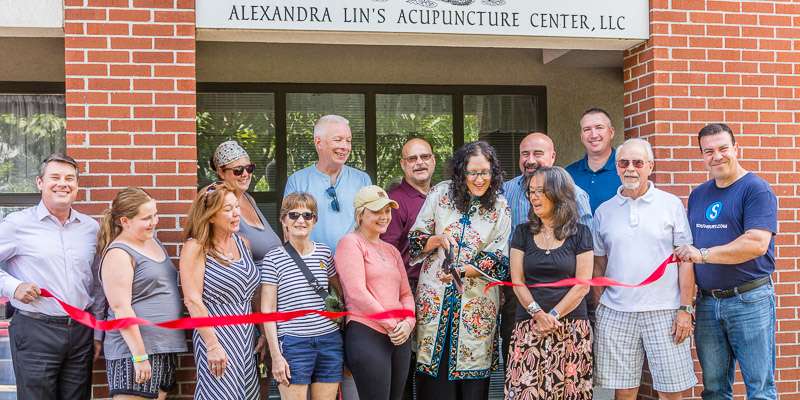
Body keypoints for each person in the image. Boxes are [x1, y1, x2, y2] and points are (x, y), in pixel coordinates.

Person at [675, 123, 778, 399]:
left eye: (723, 148)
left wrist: (704, 255)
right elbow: (688, 250)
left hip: (750, 300)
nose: (717, 156)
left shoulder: (756, 189)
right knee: (714, 390)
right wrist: (686, 305)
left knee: (760, 390)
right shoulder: (699, 194)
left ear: (736, 148)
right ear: (702, 156)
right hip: (707, 305)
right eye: (708, 151)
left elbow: (756, 243)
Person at [592, 139, 697, 399]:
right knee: (624, 392)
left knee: (670, 392)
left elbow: (686, 259)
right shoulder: (604, 211)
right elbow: (598, 265)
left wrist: (685, 309)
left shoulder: (671, 204)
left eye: (638, 162)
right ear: (616, 167)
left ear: (650, 166)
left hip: (665, 311)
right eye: (623, 162)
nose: (630, 168)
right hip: (617, 313)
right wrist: (599, 310)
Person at [409, 141, 511, 400]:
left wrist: (464, 270)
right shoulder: (440, 194)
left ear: (494, 172)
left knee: (472, 385)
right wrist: (438, 239)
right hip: (435, 298)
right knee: (434, 384)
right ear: (461, 172)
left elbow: (500, 257)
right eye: (472, 172)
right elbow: (416, 239)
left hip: (476, 306)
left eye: (485, 172)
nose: (479, 179)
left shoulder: (500, 207)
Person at [0, 153, 104, 399]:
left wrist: (97, 332)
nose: (63, 183)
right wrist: (12, 286)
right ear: (39, 183)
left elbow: (97, 285)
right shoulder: (16, 224)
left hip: (81, 332)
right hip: (35, 330)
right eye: (54, 177)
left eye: (70, 178)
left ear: (77, 185)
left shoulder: (91, 228)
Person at [500, 132, 593, 368]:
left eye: (537, 154)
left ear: (552, 157)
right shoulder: (503, 194)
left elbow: (584, 266)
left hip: (569, 304)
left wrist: (552, 315)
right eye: (525, 154)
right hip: (520, 297)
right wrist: (536, 312)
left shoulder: (577, 197)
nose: (530, 159)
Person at [98, 187, 187, 399]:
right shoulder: (118, 253)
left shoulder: (152, 241)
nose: (154, 221)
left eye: (155, 214)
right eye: (146, 218)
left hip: (161, 347)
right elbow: (121, 309)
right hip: (135, 353)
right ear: (125, 221)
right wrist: (139, 357)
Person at [180, 181, 267, 400]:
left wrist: (263, 332)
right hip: (217, 335)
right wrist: (212, 345)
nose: (236, 213)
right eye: (228, 210)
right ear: (210, 216)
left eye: (236, 206)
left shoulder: (243, 244)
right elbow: (192, 300)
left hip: (246, 337)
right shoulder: (196, 247)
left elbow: (254, 293)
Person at [335, 185, 416, 400]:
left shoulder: (392, 250)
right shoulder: (350, 243)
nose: (384, 217)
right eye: (377, 211)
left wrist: (408, 324)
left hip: (399, 336)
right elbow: (357, 293)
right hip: (367, 333)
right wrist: (392, 325)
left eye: (387, 211)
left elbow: (406, 294)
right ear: (361, 214)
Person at [262, 192, 344, 400]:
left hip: (329, 341)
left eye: (307, 215)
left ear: (314, 221)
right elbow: (268, 311)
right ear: (283, 220)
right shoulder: (273, 258)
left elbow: (339, 293)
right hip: (293, 343)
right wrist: (276, 355)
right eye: (293, 215)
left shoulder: (324, 253)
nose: (301, 220)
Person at [381, 138, 436, 400]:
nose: (419, 163)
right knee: (406, 365)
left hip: (440, 289)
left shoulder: (443, 197)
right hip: (408, 291)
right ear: (403, 164)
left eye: (424, 157)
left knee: (431, 363)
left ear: (433, 160)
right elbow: (387, 254)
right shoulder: (395, 201)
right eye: (412, 159)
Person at [284, 115, 372, 254]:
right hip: (310, 263)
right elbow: (289, 230)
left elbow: (370, 227)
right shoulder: (297, 180)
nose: (345, 147)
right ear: (318, 142)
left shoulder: (362, 180)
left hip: (352, 262)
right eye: (338, 140)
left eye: (348, 141)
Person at [211, 140, 282, 267]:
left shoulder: (250, 199)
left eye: (249, 168)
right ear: (221, 172)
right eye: (237, 170)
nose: (245, 174)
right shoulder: (218, 205)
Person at [565, 108, 622, 214]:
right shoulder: (568, 175)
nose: (594, 135)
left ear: (611, 132)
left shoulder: (625, 171)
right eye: (587, 129)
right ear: (581, 136)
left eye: (599, 128)